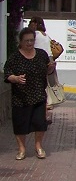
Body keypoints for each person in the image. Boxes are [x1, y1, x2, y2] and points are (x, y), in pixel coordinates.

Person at [3, 27, 55, 159]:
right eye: (26, 41)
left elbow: (47, 72)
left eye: (32, 40)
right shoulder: (15, 57)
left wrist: (50, 68)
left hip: (38, 94)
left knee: (39, 123)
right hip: (21, 97)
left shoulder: (41, 54)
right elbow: (7, 74)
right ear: (20, 41)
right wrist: (15, 78)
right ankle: (21, 149)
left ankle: (38, 146)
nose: (29, 43)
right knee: (20, 124)